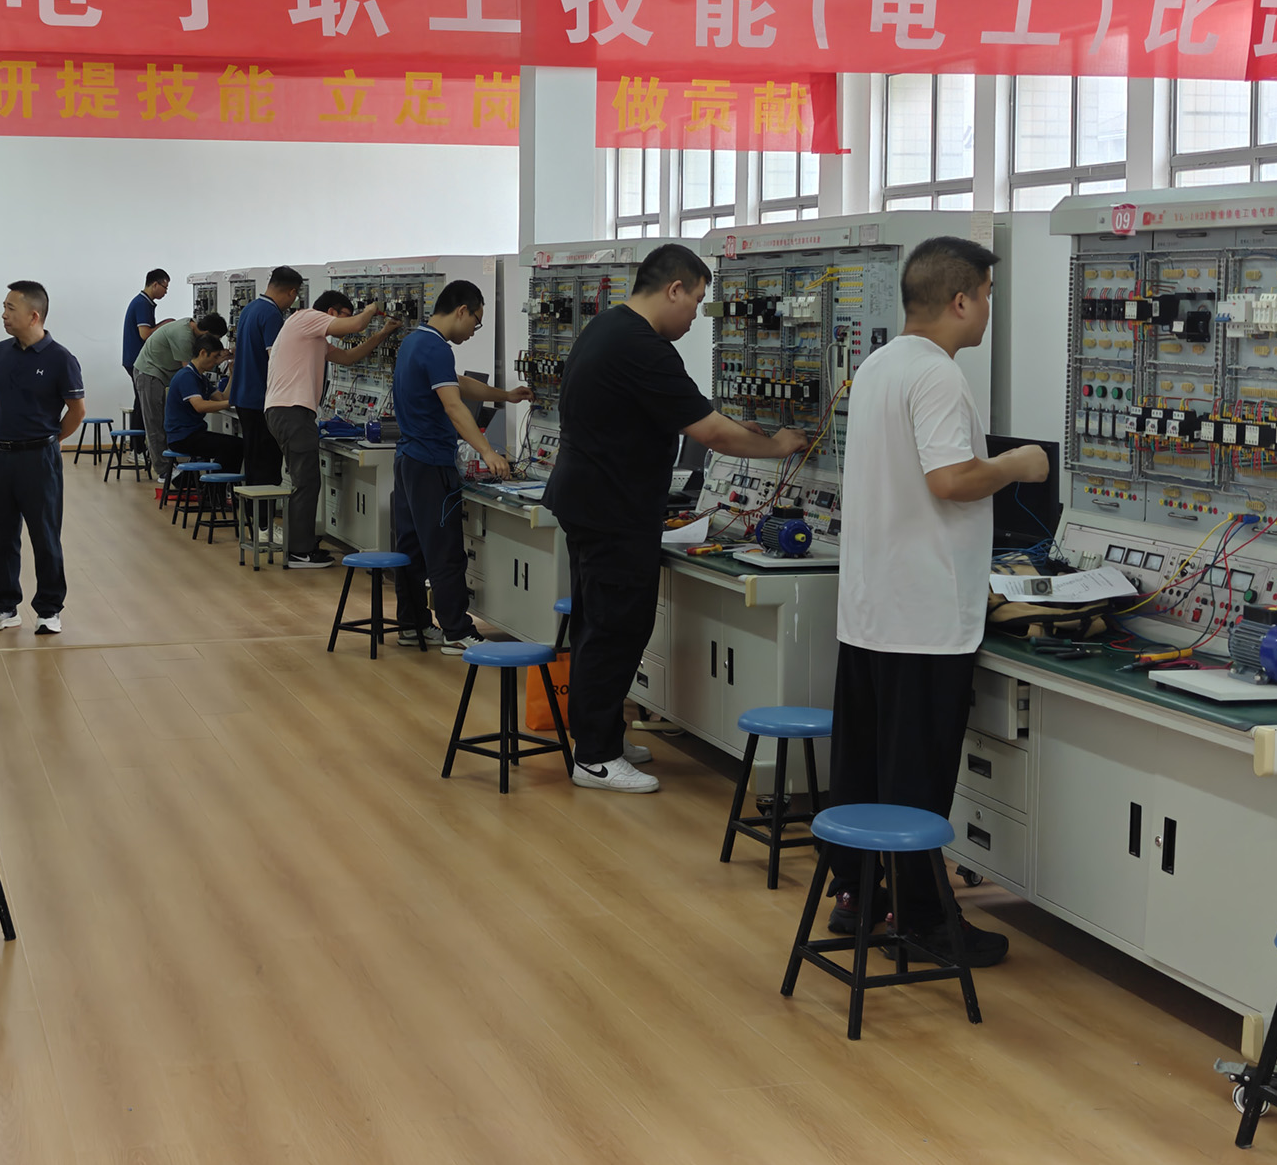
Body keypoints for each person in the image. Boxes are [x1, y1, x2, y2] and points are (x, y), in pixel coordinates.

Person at [822, 237, 1048, 969]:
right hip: (922, 618)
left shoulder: (879, 365)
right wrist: (1017, 464)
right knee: (917, 779)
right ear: (961, 300)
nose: (987, 309)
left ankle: (858, 896)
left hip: (870, 609)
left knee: (867, 771)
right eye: (987, 295)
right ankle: (922, 919)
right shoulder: (939, 376)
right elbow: (950, 480)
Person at [542, 244, 807, 795]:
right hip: (612, 510)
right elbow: (708, 432)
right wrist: (778, 445)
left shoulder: (608, 328)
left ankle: (602, 737)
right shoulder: (642, 346)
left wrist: (731, 427)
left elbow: (685, 414)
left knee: (600, 625)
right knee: (615, 629)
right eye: (697, 301)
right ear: (674, 289)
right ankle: (595, 758)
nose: (696, 317)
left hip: (592, 502)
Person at [389, 280, 530, 647]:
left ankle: (413, 624)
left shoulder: (414, 342)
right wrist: (487, 452)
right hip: (431, 464)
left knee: (412, 549)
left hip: (407, 461)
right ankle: (457, 632)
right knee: (445, 551)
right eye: (476, 322)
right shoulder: (437, 348)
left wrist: (505, 396)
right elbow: (454, 406)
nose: (473, 331)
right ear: (462, 310)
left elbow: (458, 384)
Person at [0, 281, 85, 636]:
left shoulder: (60, 359)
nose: (3, 314)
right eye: (4, 307)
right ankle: (4, 606)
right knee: (0, 533)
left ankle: (49, 609)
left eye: (10, 308)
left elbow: (76, 411)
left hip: (39, 458)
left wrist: (49, 439)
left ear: (33, 315)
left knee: (45, 534)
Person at [263, 289, 397, 569]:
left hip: (287, 411)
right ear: (331, 312)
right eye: (343, 316)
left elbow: (348, 358)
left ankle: (300, 545)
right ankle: (299, 552)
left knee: (306, 481)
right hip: (292, 411)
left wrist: (383, 334)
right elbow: (356, 325)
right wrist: (372, 308)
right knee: (306, 482)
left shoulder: (314, 338)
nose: (344, 324)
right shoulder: (307, 318)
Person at [133, 310, 227, 486]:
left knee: (161, 422)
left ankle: (171, 466)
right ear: (207, 334)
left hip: (161, 374)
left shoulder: (190, 328)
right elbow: (190, 371)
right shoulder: (184, 337)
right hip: (149, 372)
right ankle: (163, 471)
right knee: (154, 424)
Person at [230, 266, 301, 485]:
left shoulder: (250, 309)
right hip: (260, 400)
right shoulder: (271, 314)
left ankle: (253, 505)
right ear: (292, 292)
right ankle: (264, 507)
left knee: (254, 460)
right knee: (267, 465)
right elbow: (276, 359)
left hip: (244, 397)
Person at [165, 334, 246, 472]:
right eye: (214, 357)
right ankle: (216, 484)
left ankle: (211, 483)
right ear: (203, 353)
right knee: (234, 446)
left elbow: (221, 397)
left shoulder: (200, 378)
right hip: (183, 437)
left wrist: (232, 375)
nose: (216, 362)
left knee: (234, 445)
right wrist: (231, 403)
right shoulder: (187, 376)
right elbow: (200, 406)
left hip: (192, 433)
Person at [122, 269, 168, 372]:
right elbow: (145, 334)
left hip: (134, 359)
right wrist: (166, 324)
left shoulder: (143, 301)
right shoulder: (142, 303)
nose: (166, 292)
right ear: (155, 285)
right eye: (165, 287)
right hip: (137, 361)